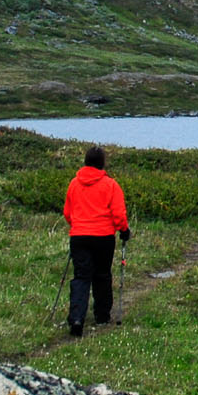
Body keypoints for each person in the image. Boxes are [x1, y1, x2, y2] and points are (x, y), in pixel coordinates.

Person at [62, 144, 130, 337]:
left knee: (81, 277)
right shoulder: (111, 185)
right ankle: (102, 315)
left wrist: (77, 225)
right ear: (102, 163)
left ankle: (77, 318)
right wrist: (124, 230)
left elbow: (68, 213)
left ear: (85, 161)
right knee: (102, 275)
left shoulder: (74, 184)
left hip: (79, 236)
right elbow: (118, 214)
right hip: (103, 237)